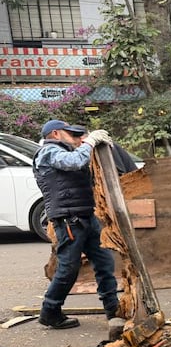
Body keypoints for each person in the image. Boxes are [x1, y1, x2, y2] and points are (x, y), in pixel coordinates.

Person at [33, 120, 120, 331]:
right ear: (55, 133)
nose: (75, 138)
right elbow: (72, 162)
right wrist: (89, 142)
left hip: (85, 216)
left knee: (105, 263)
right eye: (70, 134)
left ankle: (113, 310)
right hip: (69, 219)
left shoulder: (63, 150)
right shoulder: (48, 151)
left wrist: (91, 145)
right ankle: (50, 311)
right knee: (68, 269)